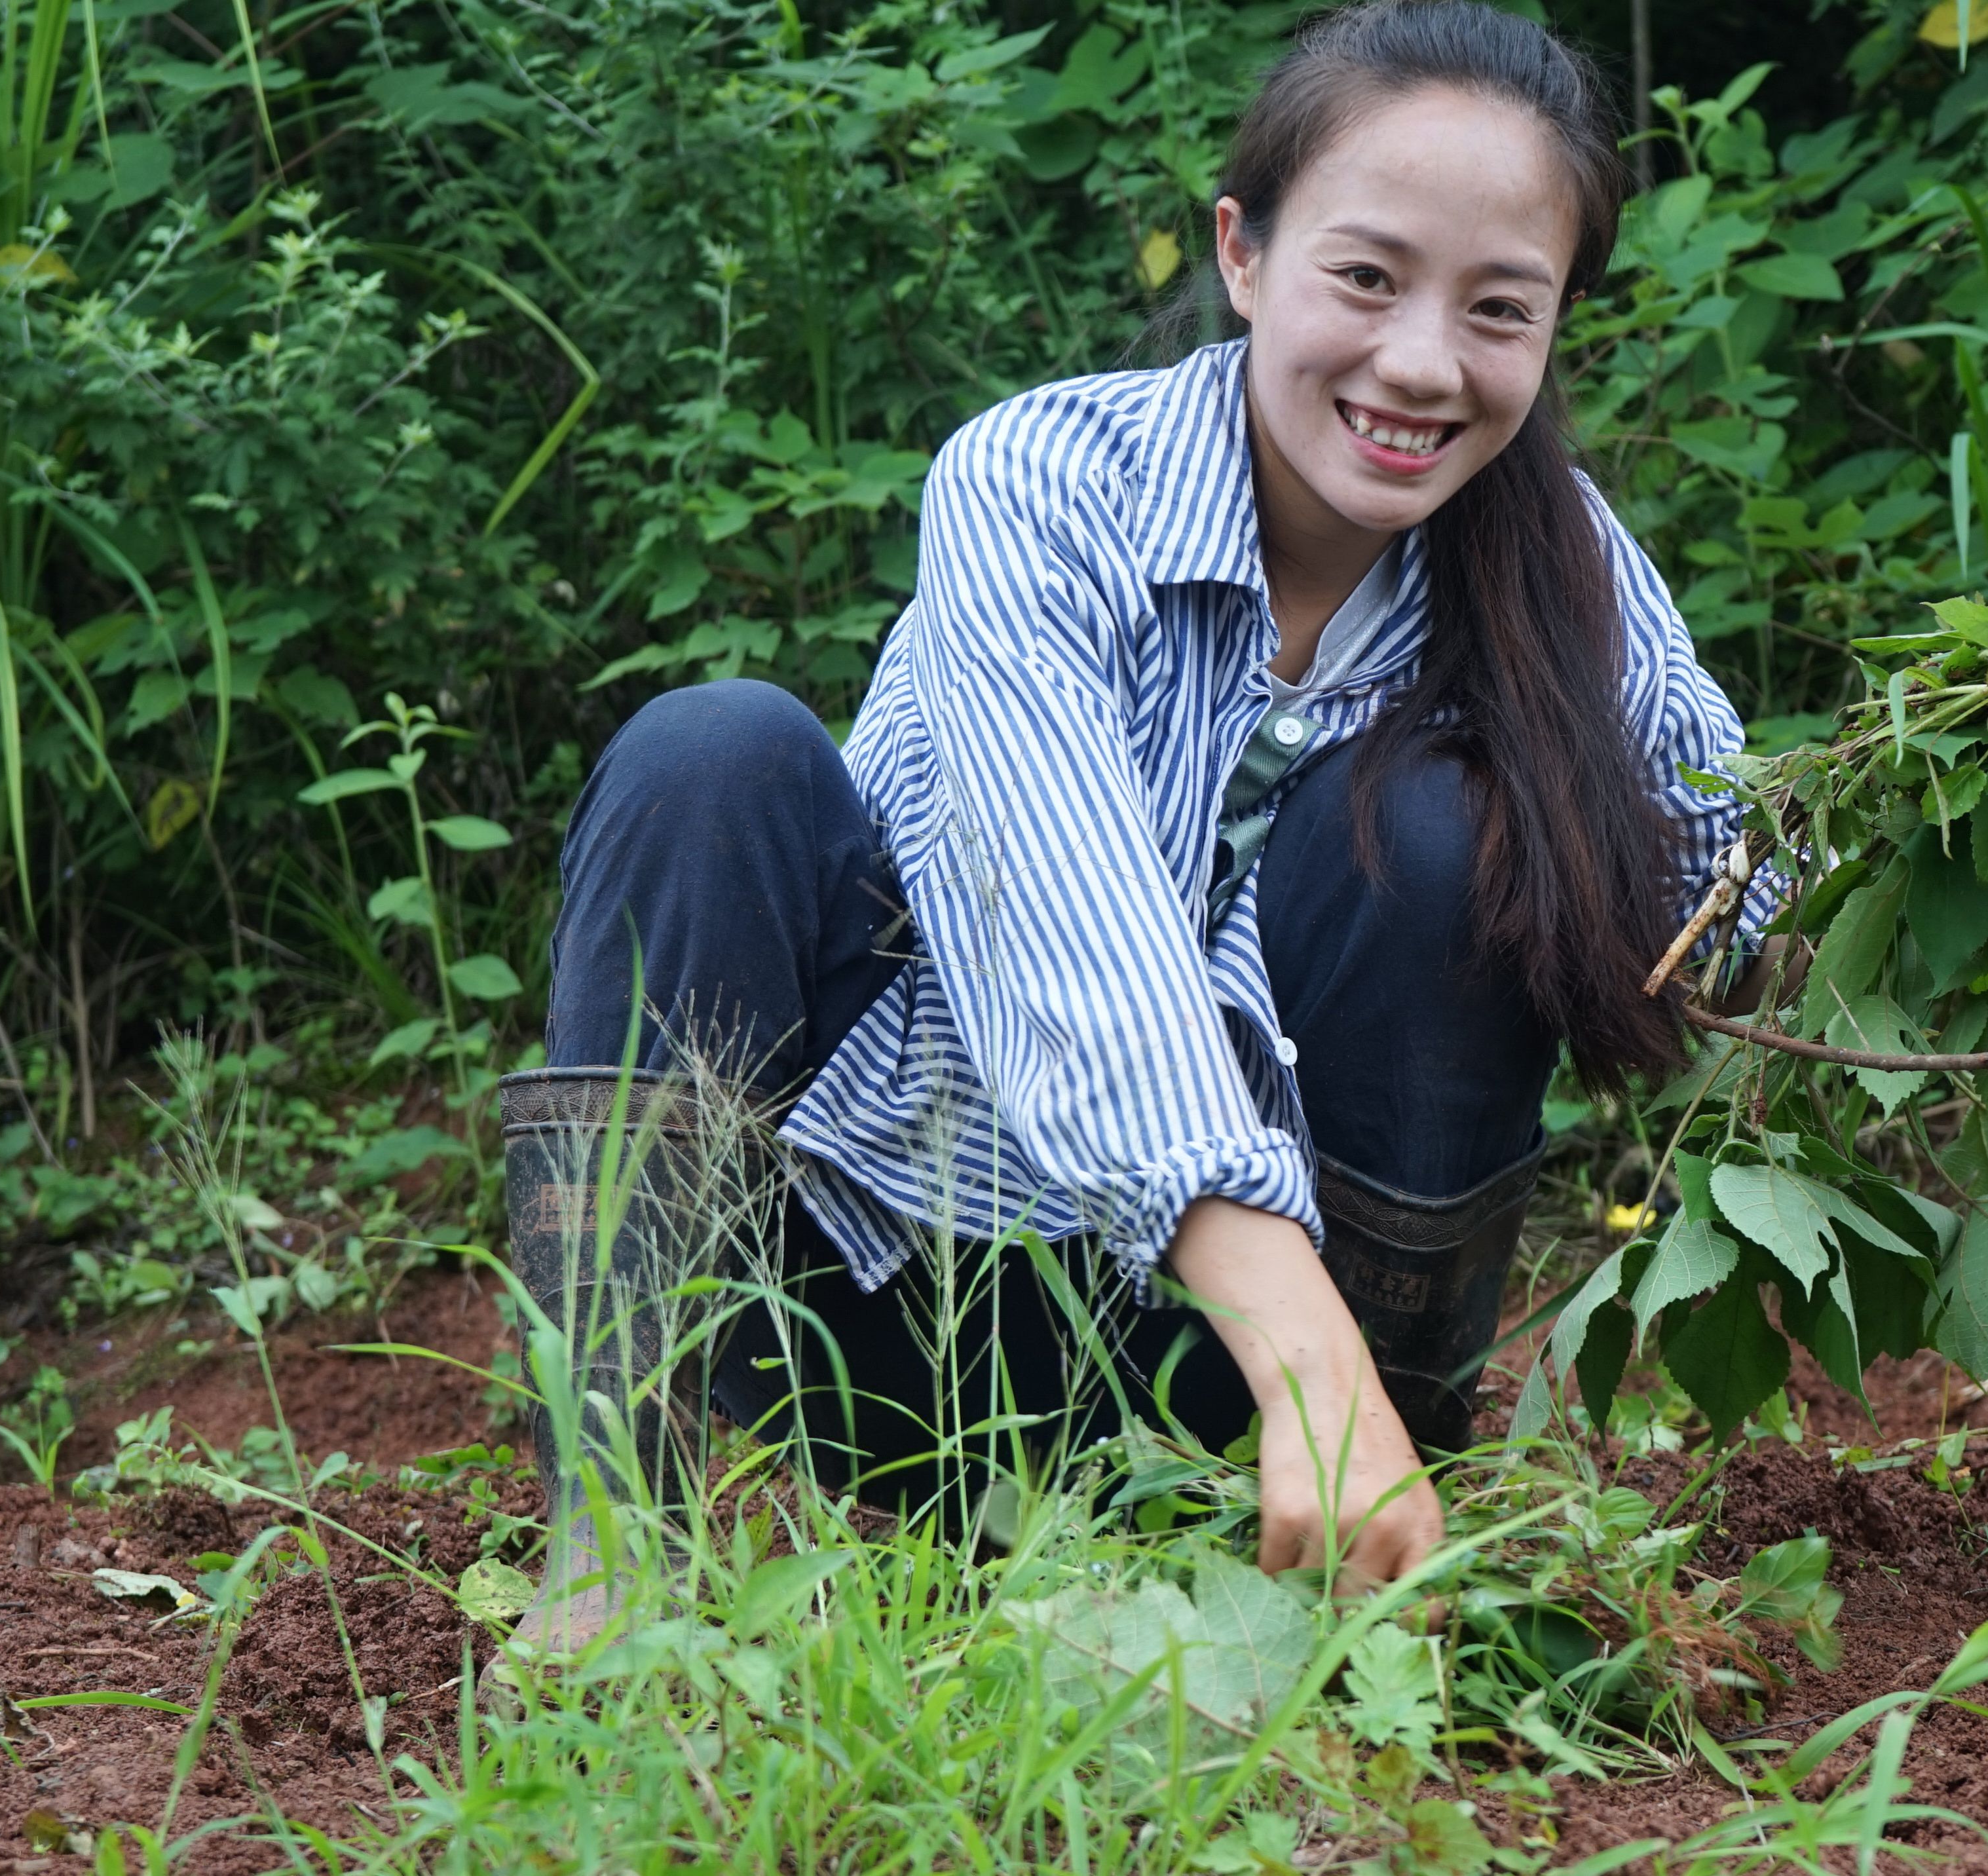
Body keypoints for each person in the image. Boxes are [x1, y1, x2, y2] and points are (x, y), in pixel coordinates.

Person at [498, 0, 1774, 1647]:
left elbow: (1732, 890)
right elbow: (1061, 907)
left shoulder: (1560, 567)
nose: (1418, 363)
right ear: (1243, 254)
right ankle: (618, 1553)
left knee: (1451, 825)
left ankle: (1336, 1556)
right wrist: (1298, 1346)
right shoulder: (1043, 483)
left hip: (1260, 1401)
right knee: (709, 754)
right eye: (1365, 277)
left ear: (1550, 331)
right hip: (895, 1303)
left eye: (1496, 310)